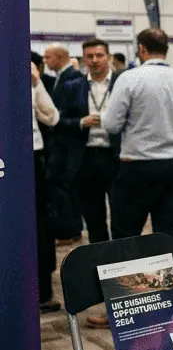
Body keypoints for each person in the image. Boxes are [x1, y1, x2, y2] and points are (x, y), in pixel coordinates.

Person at [102, 28, 173, 254]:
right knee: (167, 235)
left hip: (137, 166)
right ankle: (165, 287)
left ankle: (128, 287)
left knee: (125, 234)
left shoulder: (128, 79)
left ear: (141, 49)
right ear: (166, 50)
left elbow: (111, 125)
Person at [51, 38, 121, 247]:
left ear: (108, 57)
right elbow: (58, 120)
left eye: (99, 55)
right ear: (83, 60)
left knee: (121, 213)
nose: (94, 60)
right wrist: (80, 122)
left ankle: (122, 261)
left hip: (117, 155)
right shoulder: (73, 86)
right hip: (86, 157)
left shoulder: (122, 83)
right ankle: (101, 262)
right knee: (93, 216)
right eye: (89, 56)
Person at [31, 59, 60, 313]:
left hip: (31, 158)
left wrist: (36, 82)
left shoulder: (27, 77)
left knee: (39, 225)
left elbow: (51, 117)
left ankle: (42, 291)